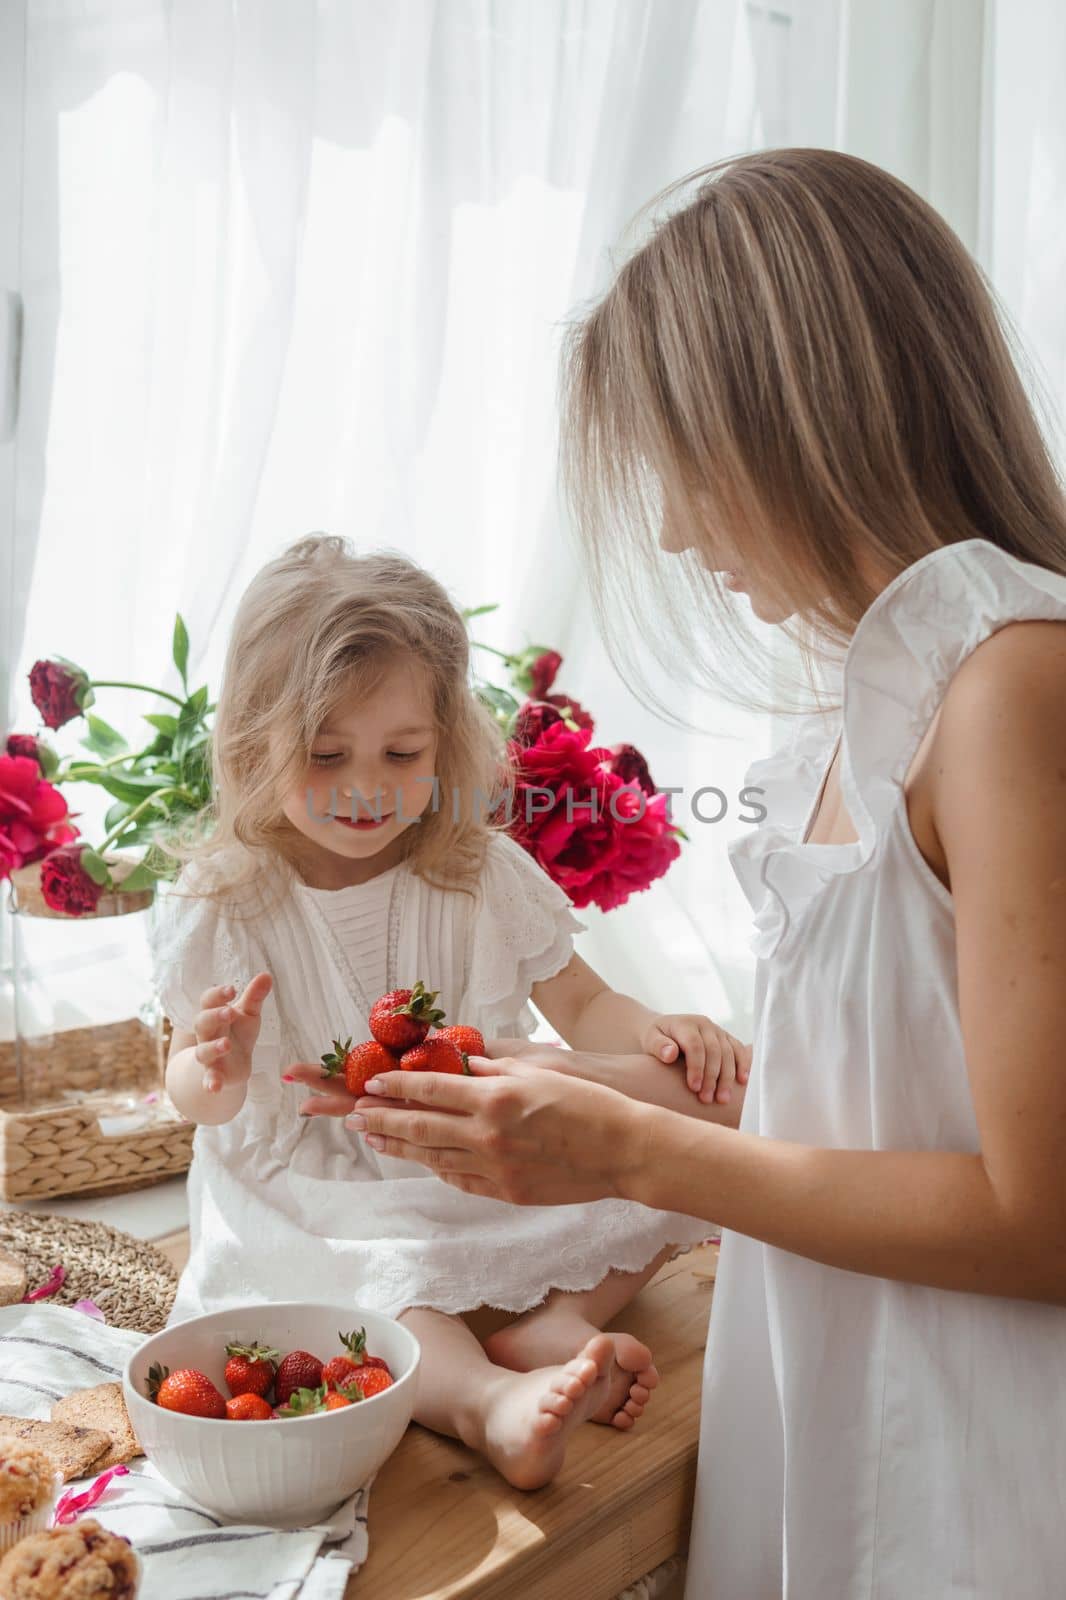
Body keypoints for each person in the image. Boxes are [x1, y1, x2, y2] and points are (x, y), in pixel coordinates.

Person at [339, 150, 1066, 1596]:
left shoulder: (1011, 687)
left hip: (977, 1473)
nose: (673, 526)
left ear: (791, 414)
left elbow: (1040, 1219)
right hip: (833, 1412)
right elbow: (861, 1110)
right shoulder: (870, 699)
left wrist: (623, 1151)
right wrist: (555, 1098)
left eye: (680, 464)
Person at [150, 534, 742, 1491]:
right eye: (326, 752)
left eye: (402, 752)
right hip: (314, 1190)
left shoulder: (476, 871)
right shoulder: (224, 901)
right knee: (360, 1285)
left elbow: (583, 999)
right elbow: (193, 1091)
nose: (364, 785)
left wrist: (658, 1033)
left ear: (448, 740)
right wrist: (209, 1070)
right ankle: (482, 1402)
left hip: (478, 1158)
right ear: (254, 743)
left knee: (670, 1178)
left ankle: (560, 1321)